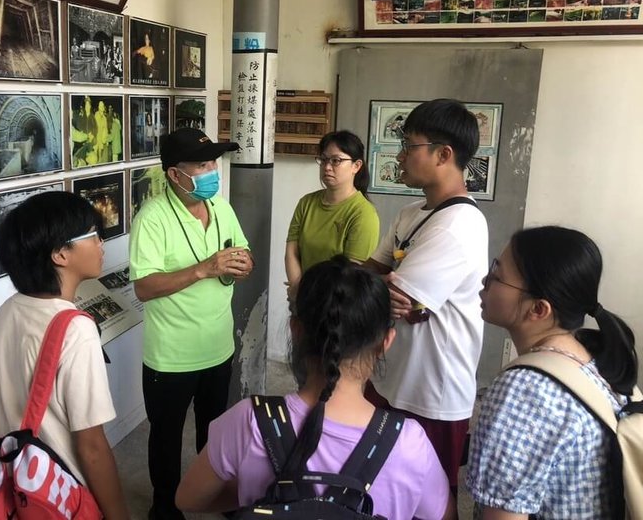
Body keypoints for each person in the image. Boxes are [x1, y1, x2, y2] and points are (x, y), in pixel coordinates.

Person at [175, 256, 456, 519]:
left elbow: (188, 499)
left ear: (295, 330)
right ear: (386, 342)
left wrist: (256, 494)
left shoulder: (248, 421)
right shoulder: (409, 443)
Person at [467, 226, 638, 519]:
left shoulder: (523, 391)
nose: (485, 280)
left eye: (497, 274)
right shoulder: (593, 359)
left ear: (538, 310)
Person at [129, 127, 254, 520]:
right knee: (165, 438)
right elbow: (145, 287)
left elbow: (241, 250)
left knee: (214, 432)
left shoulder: (222, 208)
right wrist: (205, 268)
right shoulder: (152, 218)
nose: (211, 170)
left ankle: (212, 495)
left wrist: (242, 265)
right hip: (172, 356)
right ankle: (164, 507)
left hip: (218, 346)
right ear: (174, 175)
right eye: (202, 165)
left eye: (213, 162)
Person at [364, 98, 487, 497]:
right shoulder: (412, 213)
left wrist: (382, 288)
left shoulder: (459, 225)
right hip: (391, 379)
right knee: (380, 487)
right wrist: (380, 288)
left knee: (428, 498)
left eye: (408, 146)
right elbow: (369, 276)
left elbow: (387, 294)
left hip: (432, 393)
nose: (399, 156)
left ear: (443, 154)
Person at [0, 191, 129, 520]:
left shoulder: (7, 312)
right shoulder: (75, 328)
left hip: (20, 484)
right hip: (62, 494)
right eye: (93, 235)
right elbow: (91, 446)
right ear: (60, 255)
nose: (101, 244)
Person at [285, 130, 379, 300]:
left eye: (336, 161)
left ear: (356, 166)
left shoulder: (363, 213)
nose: (327, 167)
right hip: (303, 297)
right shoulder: (306, 203)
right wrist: (298, 289)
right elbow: (292, 251)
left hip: (340, 303)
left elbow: (352, 272)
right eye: (323, 160)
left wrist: (310, 295)